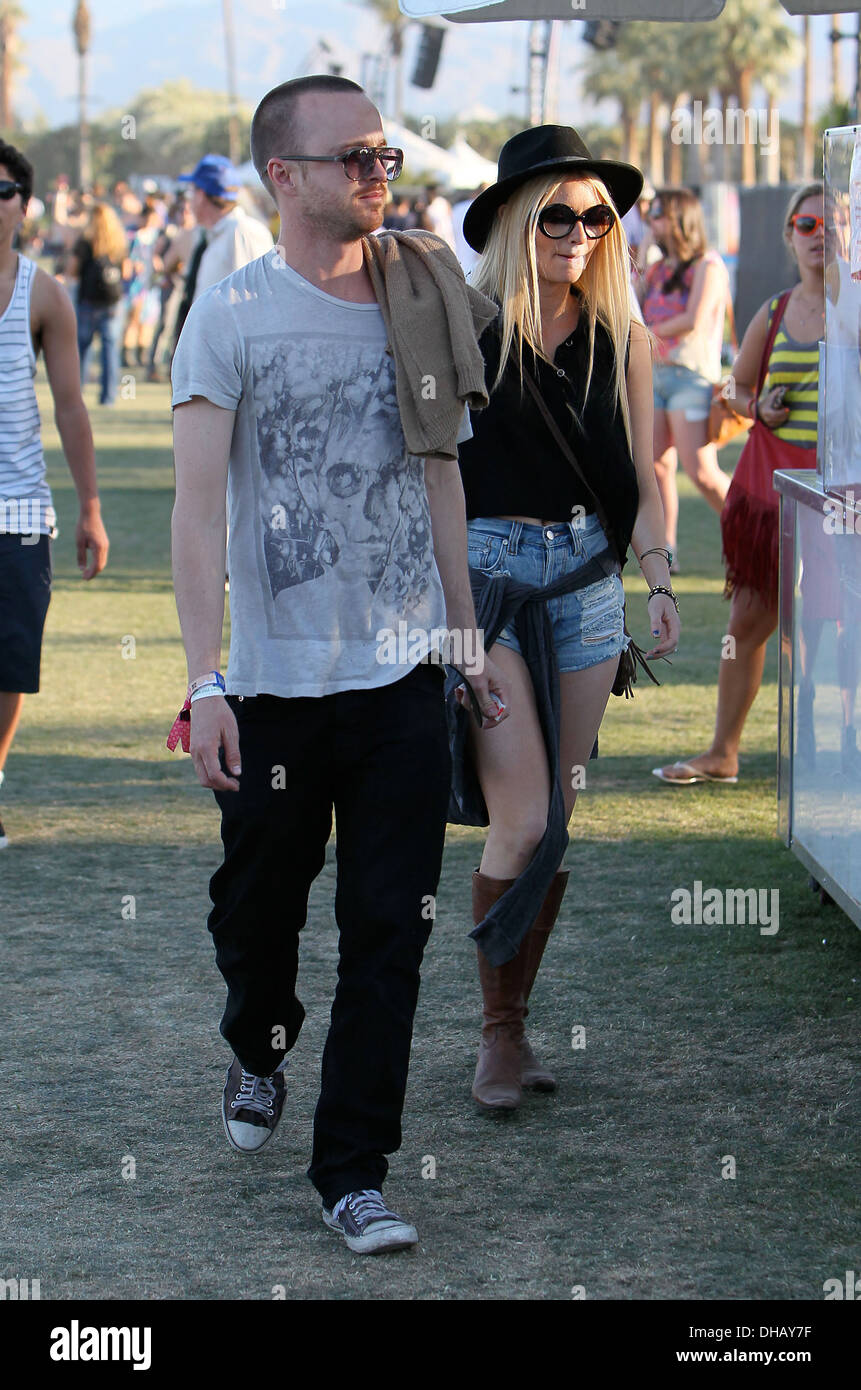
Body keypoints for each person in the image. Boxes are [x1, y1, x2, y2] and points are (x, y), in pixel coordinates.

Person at [169, 75, 505, 1254]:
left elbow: (444, 478)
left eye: (387, 154)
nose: (378, 173)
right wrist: (206, 679)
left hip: (403, 676)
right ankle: (257, 1045)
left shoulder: (418, 298)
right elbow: (200, 510)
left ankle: (353, 1168)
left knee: (390, 929)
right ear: (286, 175)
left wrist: (464, 646)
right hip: (270, 684)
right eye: (354, 155)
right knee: (255, 915)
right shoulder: (235, 311)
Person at [456, 125, 679, 1111]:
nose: (581, 231)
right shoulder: (464, 329)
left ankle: (517, 1021)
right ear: (515, 219)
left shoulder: (624, 336)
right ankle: (497, 1038)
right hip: (492, 584)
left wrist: (660, 577)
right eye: (559, 213)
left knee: (560, 825)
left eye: (598, 215)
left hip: (589, 583)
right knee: (526, 813)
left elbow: (645, 467)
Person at [654, 182, 823, 787]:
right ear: (789, 235)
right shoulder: (775, 312)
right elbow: (737, 389)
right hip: (769, 496)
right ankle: (724, 753)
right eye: (807, 225)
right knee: (747, 627)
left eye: (833, 224)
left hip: (841, 505)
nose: (820, 235)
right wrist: (761, 405)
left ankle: (831, 753)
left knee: (833, 632)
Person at [0, 140, 109, 849]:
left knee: (8, 665)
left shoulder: (44, 293)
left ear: (25, 205)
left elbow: (70, 405)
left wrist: (91, 508)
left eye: (2, 190)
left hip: (17, 511)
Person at [640, 188, 732, 569]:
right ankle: (667, 549)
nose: (652, 220)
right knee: (658, 466)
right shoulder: (661, 268)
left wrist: (649, 332)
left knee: (702, 471)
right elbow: (636, 294)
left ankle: (752, 533)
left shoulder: (709, 265)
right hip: (655, 375)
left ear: (681, 218)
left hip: (691, 378)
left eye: (658, 214)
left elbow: (693, 320)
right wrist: (647, 242)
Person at [173, 154, 274, 348]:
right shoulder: (214, 234)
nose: (189, 199)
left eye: (191, 192)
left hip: (229, 357)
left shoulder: (242, 231)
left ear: (201, 195)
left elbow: (254, 304)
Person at [66, 202, 130, 406]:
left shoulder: (85, 242)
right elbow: (127, 272)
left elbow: (72, 270)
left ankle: (77, 394)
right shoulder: (118, 243)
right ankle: (108, 396)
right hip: (112, 302)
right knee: (109, 352)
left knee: (82, 350)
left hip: (88, 301)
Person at [422, 182, 456, 249]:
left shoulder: (429, 208)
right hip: (445, 240)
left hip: (440, 240)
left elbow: (429, 227)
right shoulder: (443, 202)